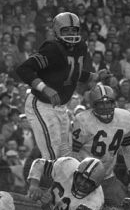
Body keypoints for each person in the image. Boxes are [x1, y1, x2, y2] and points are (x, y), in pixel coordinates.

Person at [13, 12, 110, 161]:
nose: (71, 34)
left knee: (66, 153)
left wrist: (94, 76)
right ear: (57, 31)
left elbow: (72, 72)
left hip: (61, 107)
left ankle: (60, 183)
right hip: (41, 104)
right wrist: (44, 88)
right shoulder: (52, 48)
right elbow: (24, 69)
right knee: (52, 153)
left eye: (74, 30)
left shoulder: (80, 47)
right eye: (66, 30)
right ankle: (41, 184)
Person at [70, 83, 130, 206]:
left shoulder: (126, 118)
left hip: (107, 176)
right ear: (93, 105)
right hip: (83, 177)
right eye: (101, 103)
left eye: (108, 102)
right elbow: (73, 152)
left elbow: (128, 148)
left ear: (114, 103)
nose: (105, 106)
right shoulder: (82, 120)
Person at [24, 155, 119, 210]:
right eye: (81, 177)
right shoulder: (68, 165)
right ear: (76, 173)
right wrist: (34, 185)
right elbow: (39, 163)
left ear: (95, 186)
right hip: (42, 206)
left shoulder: (95, 201)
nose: (82, 183)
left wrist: (47, 209)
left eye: (88, 183)